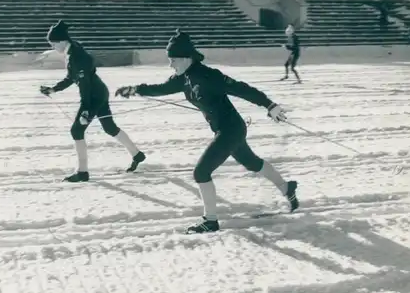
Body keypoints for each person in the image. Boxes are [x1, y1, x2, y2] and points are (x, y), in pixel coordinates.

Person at [115, 29, 300, 233]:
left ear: (186, 58)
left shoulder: (209, 76)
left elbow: (242, 89)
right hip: (225, 129)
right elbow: (160, 88)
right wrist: (135, 90)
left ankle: (210, 220)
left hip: (231, 129)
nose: (170, 64)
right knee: (252, 163)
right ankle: (286, 188)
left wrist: (270, 105)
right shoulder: (182, 78)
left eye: (173, 59)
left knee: (201, 172)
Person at [40, 20, 146, 182]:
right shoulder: (71, 53)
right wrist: (53, 89)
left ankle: (82, 172)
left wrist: (86, 110)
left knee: (76, 130)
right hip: (98, 92)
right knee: (109, 127)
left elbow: (85, 87)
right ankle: (137, 155)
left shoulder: (77, 56)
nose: (53, 48)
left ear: (62, 41)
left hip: (94, 96)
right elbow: (71, 77)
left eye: (53, 44)